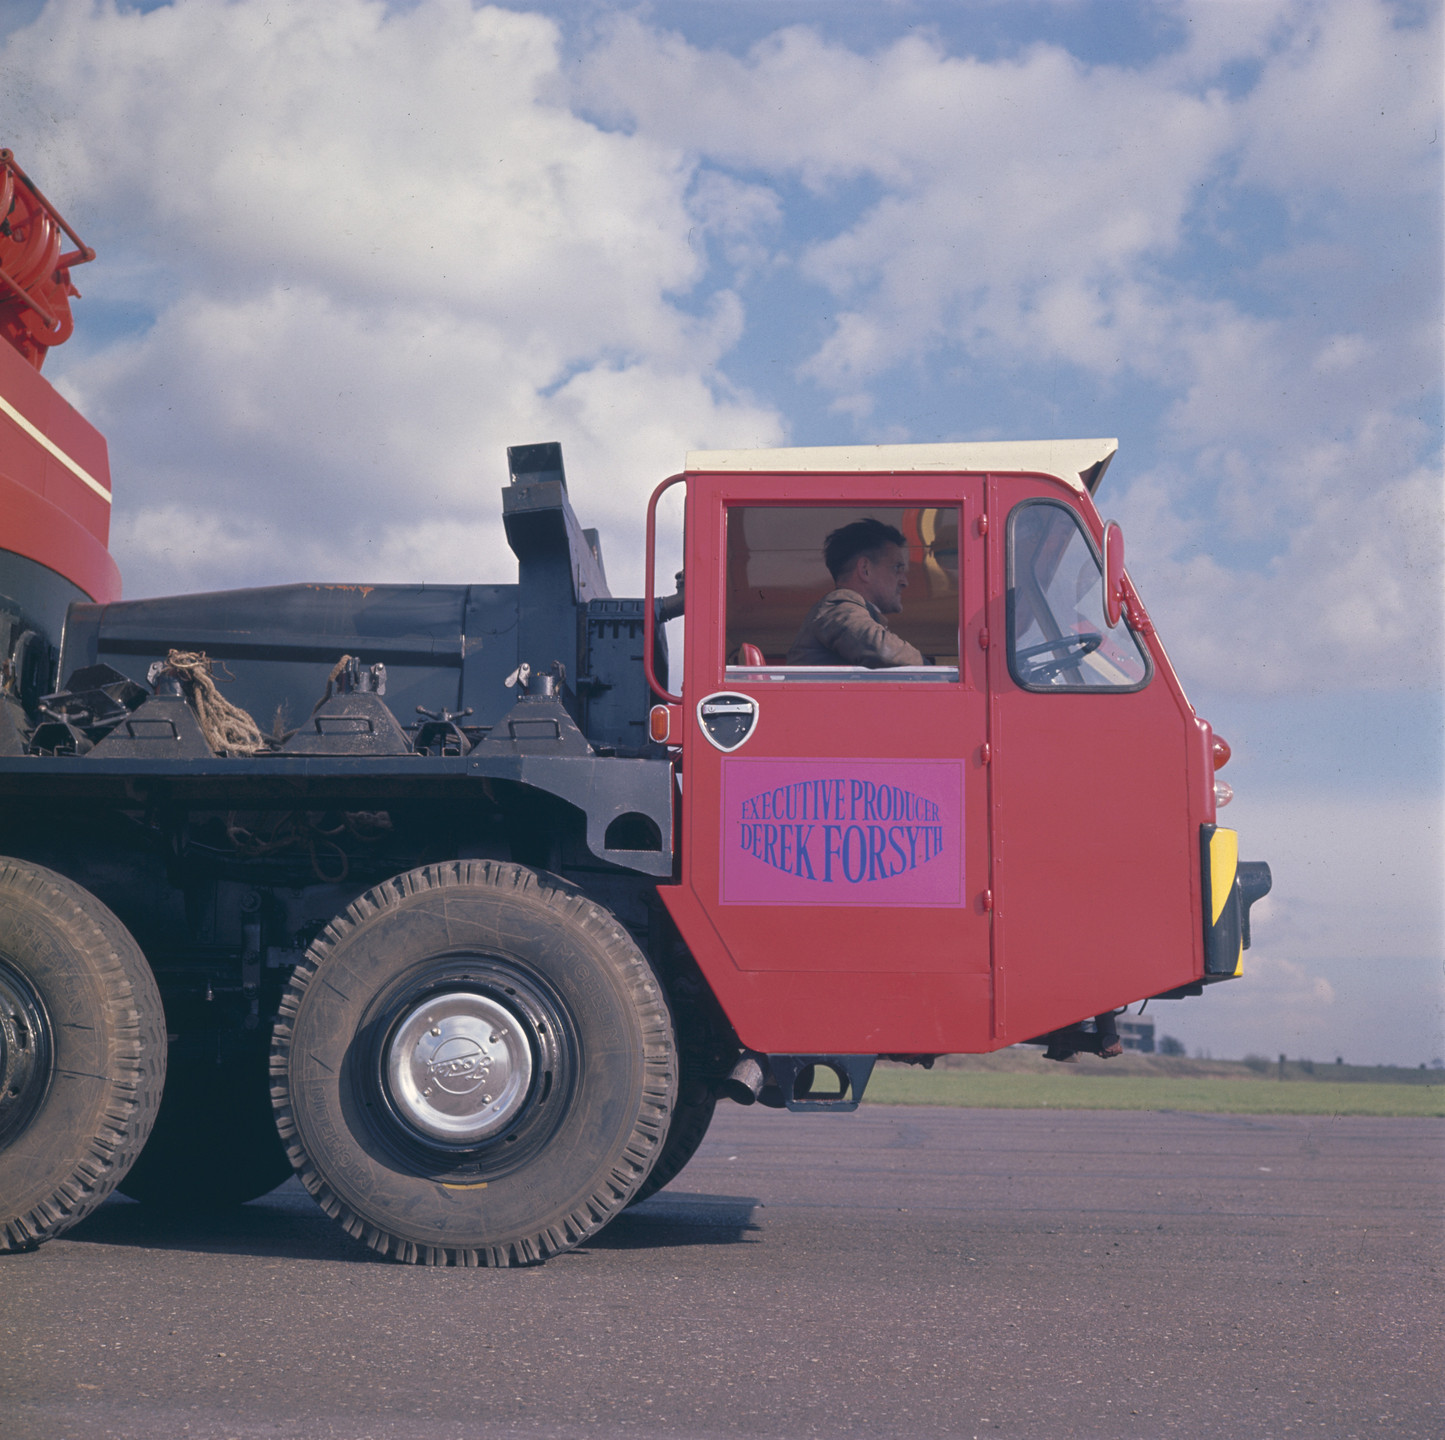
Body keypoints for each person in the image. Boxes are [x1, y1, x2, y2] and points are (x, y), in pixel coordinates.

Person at [786, 519, 926, 667]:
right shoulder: (838, 607)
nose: (905, 582)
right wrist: (939, 674)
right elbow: (883, 651)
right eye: (897, 568)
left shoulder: (843, 612)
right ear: (865, 569)